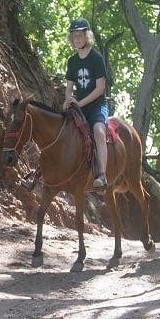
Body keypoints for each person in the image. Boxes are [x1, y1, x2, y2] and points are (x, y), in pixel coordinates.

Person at [63, 18, 111, 190]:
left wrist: (80, 103)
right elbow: (69, 88)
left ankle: (102, 176)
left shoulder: (96, 58)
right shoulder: (72, 61)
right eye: (74, 36)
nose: (77, 39)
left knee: (98, 131)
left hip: (97, 106)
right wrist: (69, 100)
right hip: (79, 106)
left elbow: (100, 88)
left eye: (80, 36)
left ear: (87, 36)